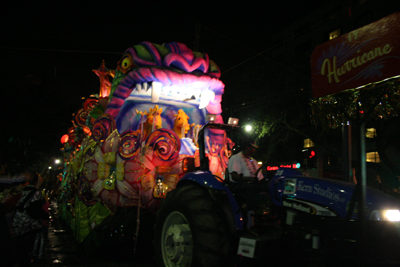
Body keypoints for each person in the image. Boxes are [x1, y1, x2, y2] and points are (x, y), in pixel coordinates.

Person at [12, 171, 49, 267]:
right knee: (27, 251)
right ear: (36, 181)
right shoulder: (36, 193)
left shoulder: (20, 191)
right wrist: (45, 215)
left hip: (17, 224)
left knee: (21, 252)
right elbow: (34, 210)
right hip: (29, 226)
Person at [228, 141, 268, 227]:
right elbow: (234, 176)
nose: (254, 151)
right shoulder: (236, 158)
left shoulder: (254, 161)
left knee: (268, 187)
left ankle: (266, 211)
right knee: (250, 187)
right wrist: (249, 179)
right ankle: (251, 212)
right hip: (238, 185)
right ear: (247, 147)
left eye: (255, 149)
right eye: (253, 148)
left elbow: (260, 178)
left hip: (252, 184)